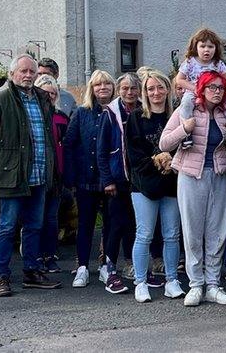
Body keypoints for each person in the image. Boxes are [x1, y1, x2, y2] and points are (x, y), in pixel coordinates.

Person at [0, 54, 61, 297]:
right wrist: (6, 162)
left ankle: (31, 271)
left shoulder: (42, 98)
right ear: (12, 74)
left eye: (31, 72)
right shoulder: (0, 100)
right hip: (11, 176)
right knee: (7, 226)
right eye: (22, 71)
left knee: (35, 225)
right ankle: (1, 275)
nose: (27, 75)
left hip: (39, 175)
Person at [160, 71, 226, 307]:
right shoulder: (188, 110)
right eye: (211, 87)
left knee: (218, 230)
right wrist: (185, 128)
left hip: (219, 175)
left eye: (221, 88)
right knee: (192, 231)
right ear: (201, 89)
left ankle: (213, 285)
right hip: (191, 175)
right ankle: (195, 285)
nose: (216, 91)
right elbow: (164, 143)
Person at [126, 69, 185, 303]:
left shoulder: (177, 115)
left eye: (160, 87)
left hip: (172, 182)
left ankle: (172, 280)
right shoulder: (137, 117)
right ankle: (140, 282)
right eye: (151, 88)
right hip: (144, 185)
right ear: (145, 92)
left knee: (172, 234)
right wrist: (156, 161)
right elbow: (133, 152)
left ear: (167, 90)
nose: (156, 92)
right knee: (145, 233)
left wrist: (173, 163)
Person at [63, 70, 116, 288]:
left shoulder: (118, 112)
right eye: (97, 85)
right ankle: (83, 266)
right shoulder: (82, 113)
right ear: (91, 89)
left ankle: (107, 265)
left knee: (111, 225)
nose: (102, 88)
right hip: (86, 177)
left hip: (112, 180)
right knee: (85, 224)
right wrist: (71, 176)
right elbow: (69, 143)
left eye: (106, 84)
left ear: (113, 87)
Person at [96, 72, 142, 294]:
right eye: (125, 88)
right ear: (118, 90)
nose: (130, 92)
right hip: (117, 179)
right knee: (115, 225)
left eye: (133, 88)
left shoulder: (143, 110)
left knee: (135, 224)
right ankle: (109, 266)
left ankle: (131, 265)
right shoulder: (110, 114)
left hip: (138, 179)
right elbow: (102, 151)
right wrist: (107, 179)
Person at [174, 28, 226, 148]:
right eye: (203, 46)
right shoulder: (190, 62)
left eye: (210, 46)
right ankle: (187, 133)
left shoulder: (217, 64)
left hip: (214, 92)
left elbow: (225, 80)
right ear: (195, 47)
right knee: (186, 103)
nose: (206, 50)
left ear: (216, 48)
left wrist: (225, 90)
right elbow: (179, 80)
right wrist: (195, 88)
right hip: (194, 92)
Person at [32, 74, 70, 274]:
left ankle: (49, 255)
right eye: (45, 93)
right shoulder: (32, 118)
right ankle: (35, 256)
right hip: (37, 175)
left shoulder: (61, 117)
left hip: (56, 176)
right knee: (36, 219)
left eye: (53, 93)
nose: (49, 96)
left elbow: (68, 145)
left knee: (51, 219)